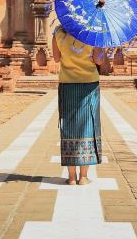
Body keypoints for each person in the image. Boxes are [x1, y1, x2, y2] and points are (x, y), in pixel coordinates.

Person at [52, 27, 108, 186]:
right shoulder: (94, 33)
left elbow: (56, 58)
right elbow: (99, 61)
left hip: (67, 84)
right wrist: (103, 47)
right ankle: (83, 177)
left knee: (68, 127)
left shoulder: (58, 32)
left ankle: (71, 177)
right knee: (88, 126)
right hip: (88, 84)